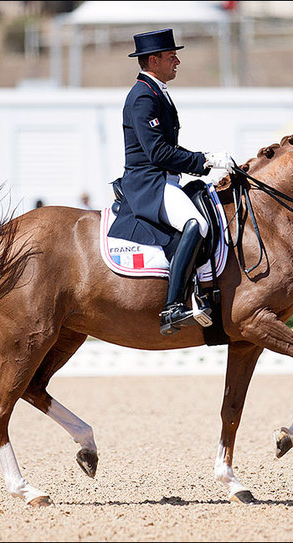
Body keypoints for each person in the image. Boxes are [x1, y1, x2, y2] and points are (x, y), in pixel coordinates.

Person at [107, 28, 235, 336]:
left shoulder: (157, 92)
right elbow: (158, 151)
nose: (177, 61)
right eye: (171, 56)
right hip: (148, 182)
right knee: (196, 224)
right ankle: (173, 307)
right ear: (153, 60)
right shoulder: (141, 98)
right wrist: (204, 161)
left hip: (164, 179)